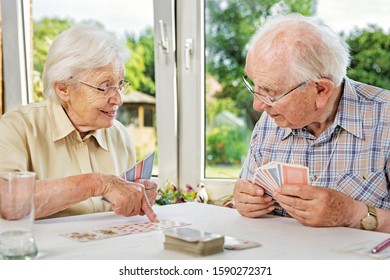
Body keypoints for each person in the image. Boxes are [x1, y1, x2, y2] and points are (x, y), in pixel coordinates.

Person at [233, 14, 390, 233]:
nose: (257, 105)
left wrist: (353, 214)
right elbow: (245, 195)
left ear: (321, 90)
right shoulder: (269, 122)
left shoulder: (385, 118)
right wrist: (244, 199)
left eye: (270, 92)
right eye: (254, 86)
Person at [0, 24, 158, 222]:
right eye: (104, 86)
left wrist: (137, 198)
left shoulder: (119, 135)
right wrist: (97, 183)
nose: (118, 99)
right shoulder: (16, 127)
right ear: (63, 88)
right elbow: (8, 202)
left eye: (119, 85)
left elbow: (119, 217)